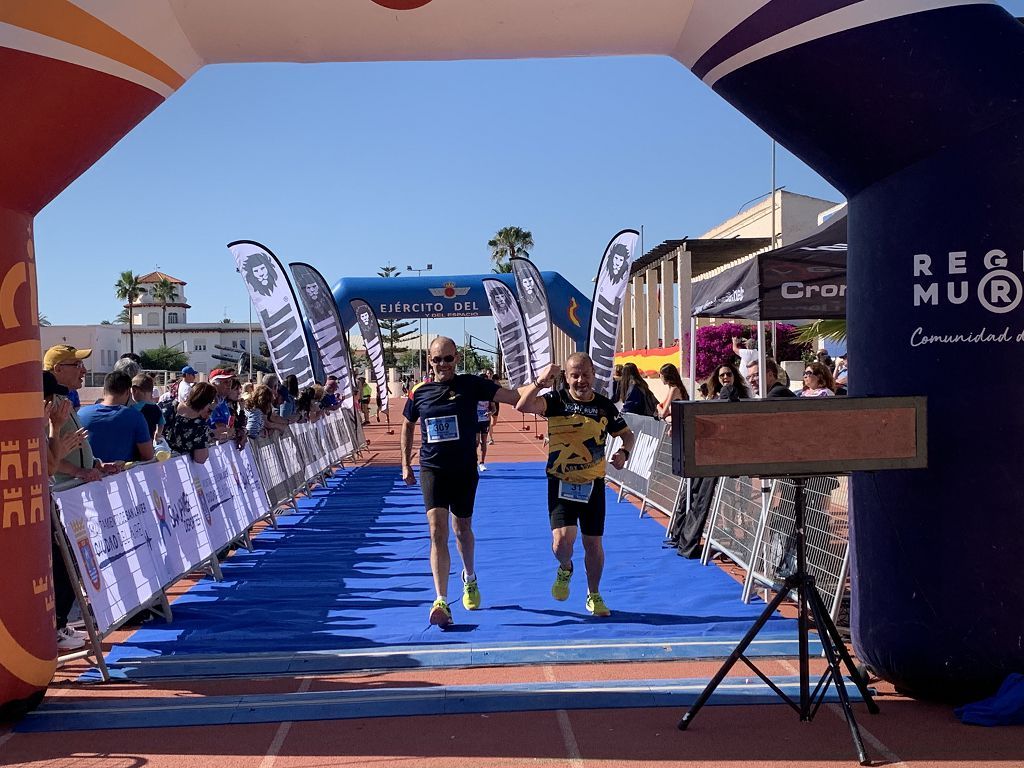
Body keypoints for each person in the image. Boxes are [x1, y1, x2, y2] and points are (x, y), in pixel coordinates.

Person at [401, 337, 522, 627]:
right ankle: (441, 598)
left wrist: (542, 384)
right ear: (429, 361)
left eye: (448, 359)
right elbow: (407, 425)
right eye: (436, 359)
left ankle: (469, 577)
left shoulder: (471, 384)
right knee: (436, 530)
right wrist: (405, 464)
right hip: (432, 468)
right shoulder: (418, 391)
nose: (442, 364)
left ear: (457, 359)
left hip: (464, 469)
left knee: (462, 529)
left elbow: (513, 397)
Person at [516, 353, 635, 617]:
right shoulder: (555, 400)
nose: (580, 380)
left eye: (585, 375)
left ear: (594, 374)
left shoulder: (605, 406)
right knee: (561, 544)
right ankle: (566, 567)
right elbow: (522, 406)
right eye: (574, 375)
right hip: (561, 483)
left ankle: (594, 594)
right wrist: (539, 382)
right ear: (566, 377)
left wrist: (624, 453)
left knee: (593, 544)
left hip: (593, 484)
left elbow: (627, 434)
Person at [78, 372, 154, 464]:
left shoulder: (81, 414)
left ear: (104, 390)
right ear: (127, 392)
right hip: (122, 474)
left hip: (88, 475)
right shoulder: (135, 417)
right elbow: (148, 456)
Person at [166, 382, 216, 463]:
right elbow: (200, 458)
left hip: (154, 463)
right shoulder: (200, 426)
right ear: (207, 404)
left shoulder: (167, 407)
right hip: (176, 467)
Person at [130, 373, 165, 440]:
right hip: (149, 441)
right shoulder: (157, 408)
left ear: (135, 390)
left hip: (135, 442)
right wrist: (157, 434)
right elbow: (161, 423)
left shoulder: (134, 408)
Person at [476, 369, 494, 471]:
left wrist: (490, 413)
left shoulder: (488, 394)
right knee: (476, 442)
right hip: (475, 420)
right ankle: (474, 460)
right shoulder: (474, 394)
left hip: (485, 420)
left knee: (483, 441)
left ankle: (482, 463)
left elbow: (493, 407)